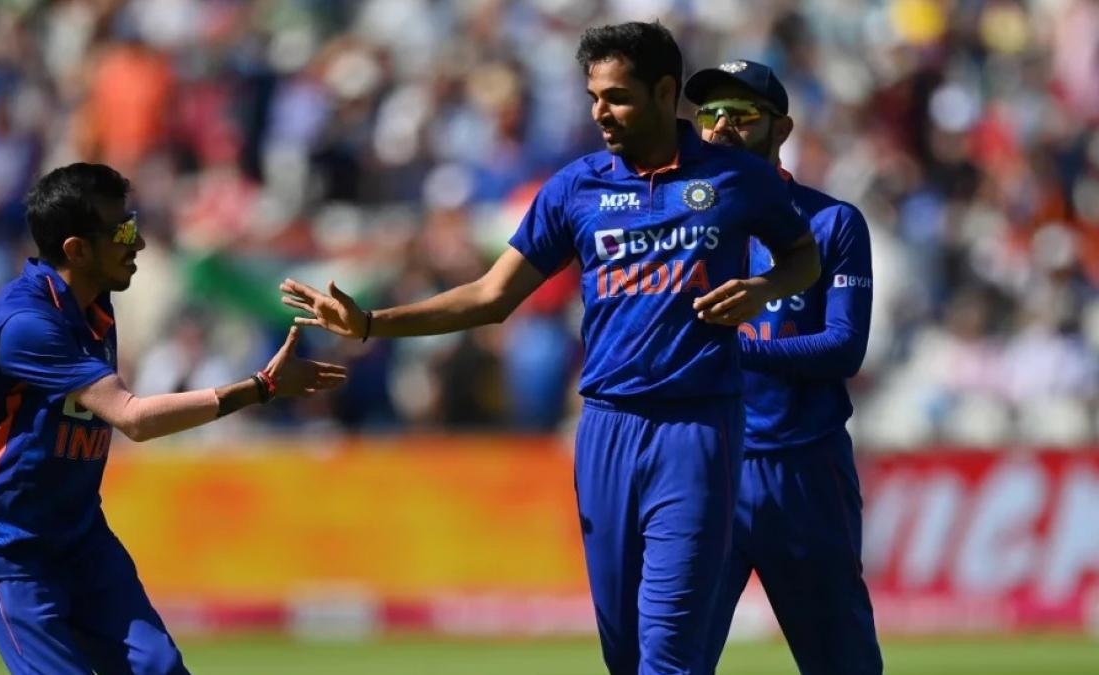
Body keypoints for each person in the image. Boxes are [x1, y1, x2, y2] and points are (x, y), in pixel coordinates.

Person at [280, 22, 820, 675]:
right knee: (624, 654)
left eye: (618, 97)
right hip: (604, 429)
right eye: (593, 96)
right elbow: (491, 295)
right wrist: (369, 323)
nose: (601, 113)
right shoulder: (575, 187)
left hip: (697, 426)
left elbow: (803, 258)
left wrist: (763, 288)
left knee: (670, 653)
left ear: (665, 91)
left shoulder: (736, 178)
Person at [0, 163, 347, 675]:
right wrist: (260, 388)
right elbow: (132, 417)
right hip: (5, 543)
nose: (140, 244)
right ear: (76, 250)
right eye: (123, 232)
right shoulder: (28, 325)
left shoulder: (93, 301)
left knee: (160, 668)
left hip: (78, 532)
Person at [684, 60, 884, 674]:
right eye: (709, 115)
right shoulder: (676, 220)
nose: (720, 128)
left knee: (842, 664)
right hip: (703, 466)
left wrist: (734, 348)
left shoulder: (830, 223)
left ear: (782, 129)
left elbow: (844, 348)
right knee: (668, 663)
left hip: (802, 471)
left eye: (742, 117)